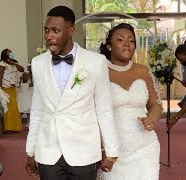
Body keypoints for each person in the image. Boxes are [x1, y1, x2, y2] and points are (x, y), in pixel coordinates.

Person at [25, 6, 119, 180]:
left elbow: (104, 109)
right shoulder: (38, 63)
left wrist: (111, 151)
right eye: (46, 30)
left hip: (83, 150)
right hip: (48, 151)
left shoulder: (95, 62)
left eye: (55, 31)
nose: (49, 36)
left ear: (70, 31)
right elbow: (37, 108)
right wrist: (30, 151)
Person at [97, 23, 163, 180]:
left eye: (131, 40)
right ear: (109, 46)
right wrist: (101, 148)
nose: (127, 43)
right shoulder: (99, 71)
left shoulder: (143, 71)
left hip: (145, 146)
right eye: (120, 39)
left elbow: (155, 104)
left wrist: (152, 120)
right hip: (112, 149)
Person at [0, 48, 24, 133]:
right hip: (5, 88)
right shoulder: (2, 64)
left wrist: (14, 63)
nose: (11, 53)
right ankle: (8, 128)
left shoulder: (14, 63)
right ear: (5, 55)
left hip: (12, 87)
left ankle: (15, 127)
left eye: (11, 52)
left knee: (14, 106)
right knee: (7, 107)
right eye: (9, 53)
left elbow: (21, 69)